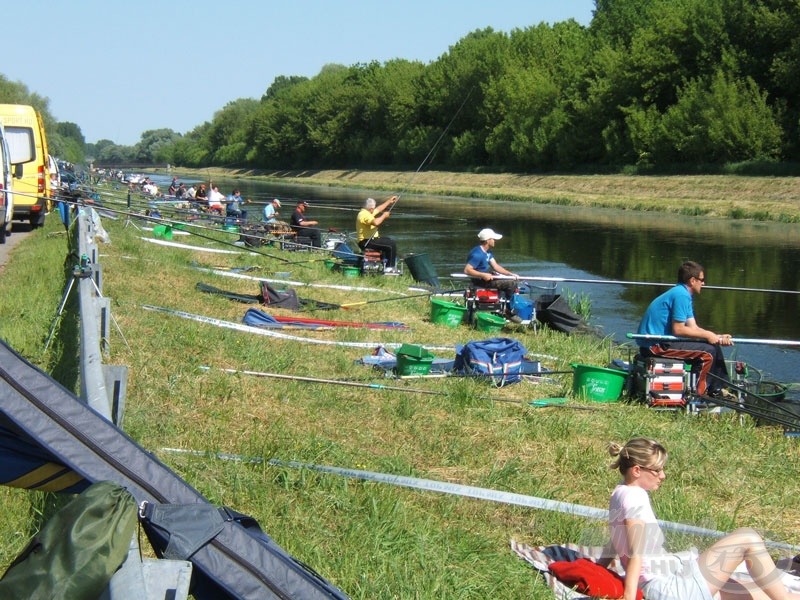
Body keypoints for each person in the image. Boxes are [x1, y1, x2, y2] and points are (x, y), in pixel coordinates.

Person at [604, 437, 800, 600]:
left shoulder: (619, 493)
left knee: (757, 591)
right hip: (666, 589)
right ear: (637, 470)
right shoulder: (635, 497)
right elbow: (635, 553)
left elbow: (615, 543)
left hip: (664, 584)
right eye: (657, 470)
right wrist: (629, 596)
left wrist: (598, 568)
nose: (663, 475)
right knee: (747, 538)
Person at [636, 261, 732, 397]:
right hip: (654, 345)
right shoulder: (681, 295)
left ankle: (718, 388)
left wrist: (717, 337)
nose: (703, 283)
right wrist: (708, 335)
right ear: (693, 280)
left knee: (713, 346)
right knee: (708, 352)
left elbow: (693, 328)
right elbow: (679, 330)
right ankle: (699, 395)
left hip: (663, 341)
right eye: (702, 280)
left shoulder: (683, 294)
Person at [356, 196, 398, 270]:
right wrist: (384, 215)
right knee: (391, 244)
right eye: (373, 208)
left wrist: (389, 201)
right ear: (370, 209)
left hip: (369, 240)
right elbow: (376, 222)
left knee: (388, 240)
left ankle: (384, 263)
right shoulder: (364, 215)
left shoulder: (367, 211)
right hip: (366, 242)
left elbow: (378, 209)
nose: (374, 209)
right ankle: (389, 268)